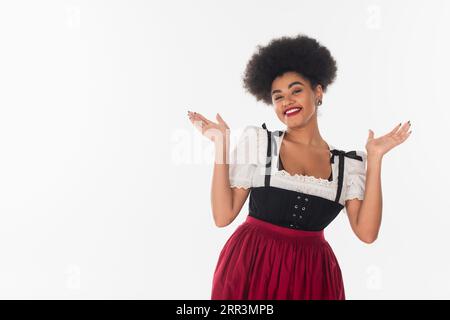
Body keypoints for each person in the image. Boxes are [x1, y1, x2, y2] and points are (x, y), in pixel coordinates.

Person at [187, 34, 412, 300]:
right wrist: (221, 144)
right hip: (252, 264)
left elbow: (367, 233)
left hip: (312, 275)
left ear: (318, 92)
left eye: (296, 90)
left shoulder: (346, 167)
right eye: (278, 96)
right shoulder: (260, 144)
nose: (287, 102)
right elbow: (222, 216)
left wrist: (375, 158)